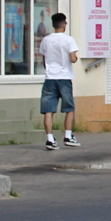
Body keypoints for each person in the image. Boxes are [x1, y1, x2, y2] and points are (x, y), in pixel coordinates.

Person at [39, 12, 80, 150]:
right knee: (69, 108)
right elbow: (73, 59)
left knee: (48, 110)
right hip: (65, 77)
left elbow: (44, 60)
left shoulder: (46, 40)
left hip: (50, 78)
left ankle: (50, 139)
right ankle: (68, 136)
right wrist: (74, 58)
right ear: (63, 24)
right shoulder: (69, 40)